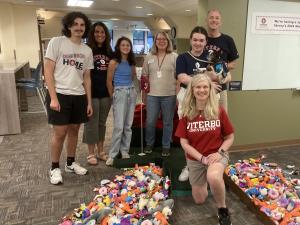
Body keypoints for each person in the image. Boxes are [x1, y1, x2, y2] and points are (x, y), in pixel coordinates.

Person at [175, 73, 234, 225]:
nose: (202, 90)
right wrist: (201, 159)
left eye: (205, 87)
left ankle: (222, 208)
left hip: (216, 154)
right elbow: (184, 143)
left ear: (210, 89)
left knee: (213, 177)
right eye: (198, 87)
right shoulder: (187, 114)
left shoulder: (218, 111)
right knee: (199, 199)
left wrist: (219, 152)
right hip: (196, 159)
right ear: (192, 91)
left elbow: (229, 138)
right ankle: (213, 181)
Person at [176, 26, 231, 182]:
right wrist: (205, 82)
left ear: (206, 42)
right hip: (188, 99)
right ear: (190, 40)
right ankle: (190, 165)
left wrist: (220, 78)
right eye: (195, 40)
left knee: (211, 132)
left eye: (201, 40)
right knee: (189, 135)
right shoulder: (183, 57)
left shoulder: (213, 57)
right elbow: (182, 78)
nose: (198, 43)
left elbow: (228, 75)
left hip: (210, 100)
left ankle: (215, 163)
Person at [44, 12, 93, 185]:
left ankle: (70, 163)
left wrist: (88, 101)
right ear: (69, 26)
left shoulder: (87, 50)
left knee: (74, 130)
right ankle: (54, 167)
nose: (79, 27)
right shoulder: (57, 42)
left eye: (82, 25)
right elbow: (48, 70)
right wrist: (53, 97)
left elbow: (86, 77)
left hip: (78, 96)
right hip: (60, 95)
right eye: (75, 24)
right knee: (60, 133)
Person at [142, 31, 177, 157]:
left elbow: (178, 77)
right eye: (159, 39)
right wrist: (144, 96)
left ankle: (166, 145)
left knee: (168, 122)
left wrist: (177, 95)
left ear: (168, 42)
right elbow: (144, 77)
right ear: (155, 41)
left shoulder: (174, 56)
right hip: (152, 95)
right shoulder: (148, 57)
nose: (161, 41)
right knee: (150, 121)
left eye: (164, 39)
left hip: (170, 94)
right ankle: (149, 143)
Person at [82, 22, 113, 165]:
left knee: (102, 123)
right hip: (91, 93)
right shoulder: (87, 50)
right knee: (91, 123)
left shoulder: (109, 51)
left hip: (106, 93)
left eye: (103, 32)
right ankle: (90, 153)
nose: (100, 34)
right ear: (92, 34)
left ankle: (100, 151)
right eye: (97, 32)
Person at [106, 36, 137, 166]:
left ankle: (124, 150)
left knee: (128, 125)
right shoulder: (114, 62)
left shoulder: (131, 63)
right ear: (118, 47)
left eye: (128, 45)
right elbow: (108, 81)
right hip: (119, 93)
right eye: (123, 45)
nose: (126, 47)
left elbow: (134, 77)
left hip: (131, 92)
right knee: (118, 126)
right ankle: (112, 154)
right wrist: (112, 96)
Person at [206, 9, 239, 111]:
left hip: (221, 87)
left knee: (222, 118)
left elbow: (233, 64)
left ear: (221, 22)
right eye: (211, 17)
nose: (214, 20)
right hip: (202, 86)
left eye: (217, 18)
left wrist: (217, 69)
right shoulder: (201, 39)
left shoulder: (228, 40)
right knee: (203, 120)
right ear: (206, 20)